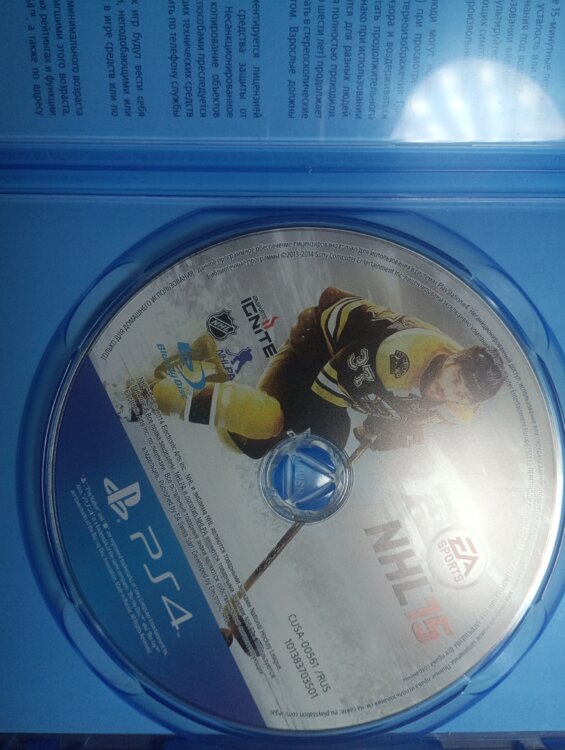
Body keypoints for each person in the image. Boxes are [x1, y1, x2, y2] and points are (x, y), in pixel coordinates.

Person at [140, 287, 505, 458]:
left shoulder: (457, 410)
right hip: (319, 343)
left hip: (346, 376)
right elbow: (332, 387)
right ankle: (146, 394)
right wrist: (344, 440)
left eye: (461, 394)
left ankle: (208, 363)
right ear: (453, 359)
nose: (448, 391)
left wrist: (391, 433)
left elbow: (406, 417)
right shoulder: (403, 356)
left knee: (250, 446)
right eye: (455, 379)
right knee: (265, 426)